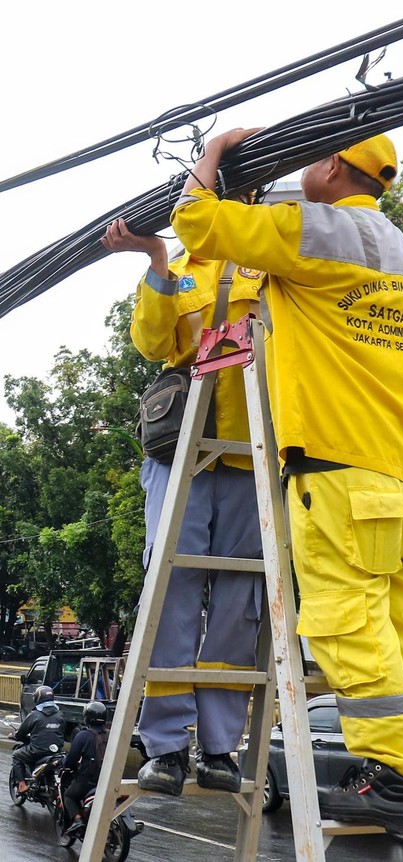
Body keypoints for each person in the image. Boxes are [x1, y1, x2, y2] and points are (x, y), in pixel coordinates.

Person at [170, 128, 403, 837]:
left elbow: (198, 222)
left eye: (313, 157)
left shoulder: (316, 230)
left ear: (335, 166)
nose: (304, 169)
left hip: (338, 473)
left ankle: (394, 778)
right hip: (401, 479)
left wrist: (216, 151)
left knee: (350, 626)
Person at [100, 221, 265, 796]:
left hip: (251, 455)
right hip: (182, 452)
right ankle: (167, 746)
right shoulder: (182, 270)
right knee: (173, 591)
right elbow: (150, 342)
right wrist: (156, 260)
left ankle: (220, 747)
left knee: (238, 602)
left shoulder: (271, 261)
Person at [63, 701, 110, 834]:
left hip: (89, 780)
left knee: (69, 796)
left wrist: (65, 765)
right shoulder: (111, 734)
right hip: (110, 778)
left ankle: (78, 820)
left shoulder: (83, 735)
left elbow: (71, 760)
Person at [12, 684, 66, 794]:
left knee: (16, 755)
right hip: (56, 751)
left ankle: (21, 785)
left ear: (37, 698)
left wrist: (14, 735)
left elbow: (21, 733)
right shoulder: (60, 715)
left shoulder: (34, 715)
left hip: (37, 751)